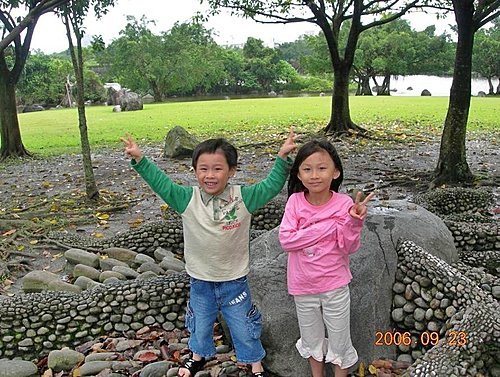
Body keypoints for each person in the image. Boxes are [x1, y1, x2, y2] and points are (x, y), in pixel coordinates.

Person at [122, 131, 297, 377]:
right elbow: (162, 184)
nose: (210, 175)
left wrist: (282, 159)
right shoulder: (186, 199)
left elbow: (270, 186)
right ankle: (197, 356)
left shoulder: (243, 198)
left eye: (217, 169)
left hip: (234, 281)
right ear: (195, 171)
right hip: (200, 280)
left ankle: (256, 366)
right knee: (199, 324)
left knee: (244, 326)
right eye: (203, 169)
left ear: (232, 170)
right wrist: (141, 160)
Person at [278, 139, 374, 377]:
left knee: (340, 339)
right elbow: (287, 240)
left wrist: (353, 221)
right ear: (298, 174)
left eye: (322, 168)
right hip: (302, 286)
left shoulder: (344, 204)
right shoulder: (294, 202)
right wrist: (328, 228)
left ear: (336, 171)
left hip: (335, 285)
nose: (314, 175)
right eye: (307, 169)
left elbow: (348, 246)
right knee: (311, 339)